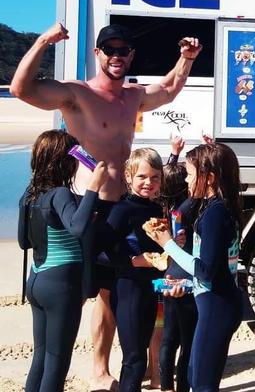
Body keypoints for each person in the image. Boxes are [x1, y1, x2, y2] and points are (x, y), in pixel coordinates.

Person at [10, 21, 202, 390]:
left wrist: (186, 58)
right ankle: (97, 369)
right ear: (98, 54)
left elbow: (169, 89)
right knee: (92, 292)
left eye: (123, 50)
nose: (116, 56)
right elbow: (21, 89)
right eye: (109, 50)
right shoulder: (76, 93)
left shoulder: (132, 96)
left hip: (125, 205)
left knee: (126, 286)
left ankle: (139, 364)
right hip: (87, 205)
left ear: (130, 55)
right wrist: (43, 40)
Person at [147, 143, 244, 392]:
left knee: (201, 383)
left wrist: (167, 244)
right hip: (217, 300)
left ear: (209, 178)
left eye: (190, 174)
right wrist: (187, 284)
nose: (187, 181)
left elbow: (206, 270)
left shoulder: (214, 214)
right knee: (195, 376)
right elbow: (217, 268)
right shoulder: (219, 207)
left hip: (217, 306)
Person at [20, 129, 108, 392]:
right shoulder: (61, 194)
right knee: (57, 361)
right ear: (65, 161)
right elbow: (78, 227)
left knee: (42, 355)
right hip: (60, 285)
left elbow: (25, 241)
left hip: (36, 279)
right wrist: (94, 185)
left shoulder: (30, 194)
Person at [106, 148, 168, 392]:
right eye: (142, 176)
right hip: (128, 288)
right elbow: (100, 251)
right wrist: (133, 261)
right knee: (134, 359)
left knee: (139, 354)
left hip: (149, 288)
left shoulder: (155, 209)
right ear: (128, 176)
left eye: (155, 177)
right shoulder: (121, 210)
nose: (148, 183)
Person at [158, 137, 198, 392]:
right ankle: (182, 385)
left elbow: (168, 177)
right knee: (187, 340)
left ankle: (165, 386)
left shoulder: (162, 208)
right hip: (185, 278)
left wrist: (174, 155)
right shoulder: (187, 208)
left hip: (166, 276)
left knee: (168, 338)